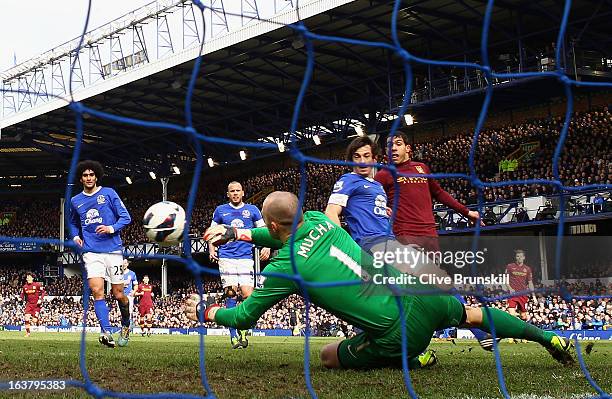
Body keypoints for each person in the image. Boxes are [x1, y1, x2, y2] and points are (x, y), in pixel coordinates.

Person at [186, 191, 574, 371]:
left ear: (271, 224)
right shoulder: (322, 220)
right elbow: (283, 232)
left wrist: (208, 309)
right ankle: (547, 338)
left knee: (327, 356)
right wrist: (237, 234)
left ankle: (413, 356)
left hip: (397, 330)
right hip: (421, 293)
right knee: (472, 315)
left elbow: (245, 317)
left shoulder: (283, 268)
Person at [374, 132, 494, 350]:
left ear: (408, 148)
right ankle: (476, 330)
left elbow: (439, 194)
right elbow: (371, 200)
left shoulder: (422, 169)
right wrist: (383, 209)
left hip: (430, 236)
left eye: (398, 144)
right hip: (405, 237)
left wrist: (467, 213)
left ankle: (408, 339)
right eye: (389, 146)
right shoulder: (383, 175)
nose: (393, 148)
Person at [69, 160, 132, 348]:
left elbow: (126, 217)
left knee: (118, 293)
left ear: (96, 176)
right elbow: (72, 223)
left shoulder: (109, 193)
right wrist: (75, 236)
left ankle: (126, 324)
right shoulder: (75, 201)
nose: (89, 178)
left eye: (91, 175)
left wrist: (111, 228)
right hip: (91, 251)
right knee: (97, 290)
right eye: (85, 175)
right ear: (81, 178)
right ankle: (106, 332)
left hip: (113, 250)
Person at [209, 181, 270, 349]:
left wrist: (266, 245)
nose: (235, 193)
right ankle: (233, 336)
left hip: (245, 257)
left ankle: (243, 329)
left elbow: (263, 230)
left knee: (247, 294)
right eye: (232, 191)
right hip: (227, 256)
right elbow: (212, 232)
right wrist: (212, 248)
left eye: (238, 190)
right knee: (230, 293)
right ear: (228, 194)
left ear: (243, 192)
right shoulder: (220, 210)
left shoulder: (252, 210)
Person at [325, 136, 392, 246]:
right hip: (371, 243)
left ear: (374, 159)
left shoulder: (378, 185)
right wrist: (342, 243)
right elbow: (330, 212)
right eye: (357, 157)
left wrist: (383, 211)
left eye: (366, 156)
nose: (362, 161)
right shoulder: (348, 180)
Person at [504, 249, 537, 321]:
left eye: (521, 256)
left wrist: (534, 296)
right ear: (515, 257)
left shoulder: (527, 269)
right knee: (511, 315)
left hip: (523, 294)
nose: (519, 258)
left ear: (524, 257)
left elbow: (530, 283)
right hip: (512, 293)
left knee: (523, 317)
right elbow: (505, 280)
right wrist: (510, 288)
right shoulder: (510, 266)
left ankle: (521, 323)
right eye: (517, 256)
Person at [20, 273, 45, 337]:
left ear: (32, 278)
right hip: (29, 304)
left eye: (29, 277)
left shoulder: (37, 285)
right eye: (27, 277)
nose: (27, 278)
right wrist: (20, 298)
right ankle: (28, 333)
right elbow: (22, 294)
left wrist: (40, 299)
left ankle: (37, 321)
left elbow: (43, 292)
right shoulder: (25, 287)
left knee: (34, 320)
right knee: (26, 318)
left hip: (36, 305)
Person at [122, 259, 138, 328]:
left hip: (129, 295)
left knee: (129, 312)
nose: (124, 264)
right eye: (122, 263)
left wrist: (134, 291)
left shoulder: (132, 273)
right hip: (120, 295)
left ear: (127, 264)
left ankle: (127, 328)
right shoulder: (118, 273)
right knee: (121, 312)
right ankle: (123, 327)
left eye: (125, 263)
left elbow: (136, 285)